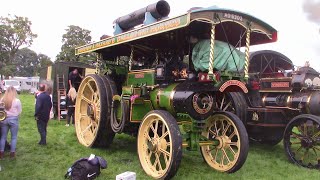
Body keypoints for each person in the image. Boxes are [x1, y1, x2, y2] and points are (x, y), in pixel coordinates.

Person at [0, 86, 22, 159]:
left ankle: (1, 153)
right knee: (14, 137)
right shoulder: (17, 101)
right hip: (14, 119)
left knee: (3, 137)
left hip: (4, 119)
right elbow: (19, 111)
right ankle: (12, 154)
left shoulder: (2, 100)